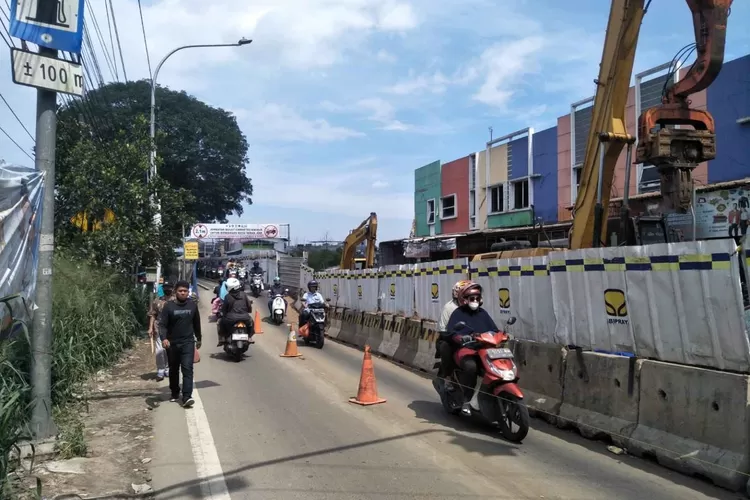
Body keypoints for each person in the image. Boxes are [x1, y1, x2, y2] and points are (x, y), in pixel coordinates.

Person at [445, 281, 499, 415]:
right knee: (471, 367)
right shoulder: (458, 313)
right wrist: (460, 338)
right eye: (472, 298)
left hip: (484, 349)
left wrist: (502, 335)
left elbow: (494, 329)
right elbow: (452, 332)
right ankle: (466, 400)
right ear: (465, 299)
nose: (475, 301)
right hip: (465, 349)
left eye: (477, 298)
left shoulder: (483, 313)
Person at [159, 280, 202, 408]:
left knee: (187, 369)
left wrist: (199, 338)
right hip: (172, 343)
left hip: (188, 342)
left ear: (188, 292)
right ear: (175, 292)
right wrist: (164, 338)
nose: (183, 293)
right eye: (180, 291)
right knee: (173, 369)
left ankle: (187, 396)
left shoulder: (192, 305)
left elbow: (197, 323)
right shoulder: (169, 306)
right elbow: (162, 325)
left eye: (185, 291)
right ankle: (174, 392)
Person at [436, 280, 472, 389]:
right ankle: (448, 378)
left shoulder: (474, 307)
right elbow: (442, 330)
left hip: (471, 340)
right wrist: (455, 337)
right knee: (445, 347)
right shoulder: (449, 308)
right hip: (451, 339)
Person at [148, 280, 175, 381]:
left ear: (172, 289)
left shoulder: (176, 301)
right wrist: (150, 328)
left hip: (172, 329)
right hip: (159, 328)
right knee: (159, 350)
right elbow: (153, 315)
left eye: (169, 287)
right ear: (163, 289)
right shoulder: (157, 301)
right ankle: (160, 370)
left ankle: (168, 369)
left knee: (168, 350)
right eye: (165, 287)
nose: (167, 289)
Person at [218, 277, 255, 345]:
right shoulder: (244, 294)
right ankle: (249, 337)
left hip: (231, 319)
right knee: (251, 322)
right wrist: (249, 311)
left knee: (220, 322)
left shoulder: (227, 296)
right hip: (245, 318)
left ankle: (222, 338)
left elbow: (224, 309)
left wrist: (223, 314)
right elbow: (249, 306)